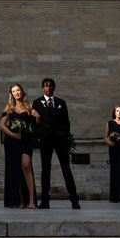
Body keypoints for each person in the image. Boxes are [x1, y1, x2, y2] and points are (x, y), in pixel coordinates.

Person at [32, 77, 80, 209]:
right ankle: (45, 200)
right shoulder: (36, 103)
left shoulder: (61, 103)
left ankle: (74, 200)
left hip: (60, 139)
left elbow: (66, 122)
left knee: (66, 169)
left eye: (51, 85)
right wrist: (39, 137)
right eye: (46, 86)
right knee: (45, 170)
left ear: (54, 87)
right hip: (45, 139)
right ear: (43, 88)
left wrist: (65, 136)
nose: (48, 88)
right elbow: (34, 123)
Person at [0, 83, 39, 209]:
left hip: (26, 140)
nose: (16, 93)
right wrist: (13, 135)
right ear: (11, 94)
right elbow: (2, 125)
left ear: (22, 91)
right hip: (12, 141)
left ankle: (32, 199)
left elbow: (36, 123)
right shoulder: (8, 107)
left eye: (18, 90)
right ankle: (20, 200)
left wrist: (37, 117)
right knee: (16, 170)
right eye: (13, 91)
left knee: (26, 166)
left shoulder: (30, 107)